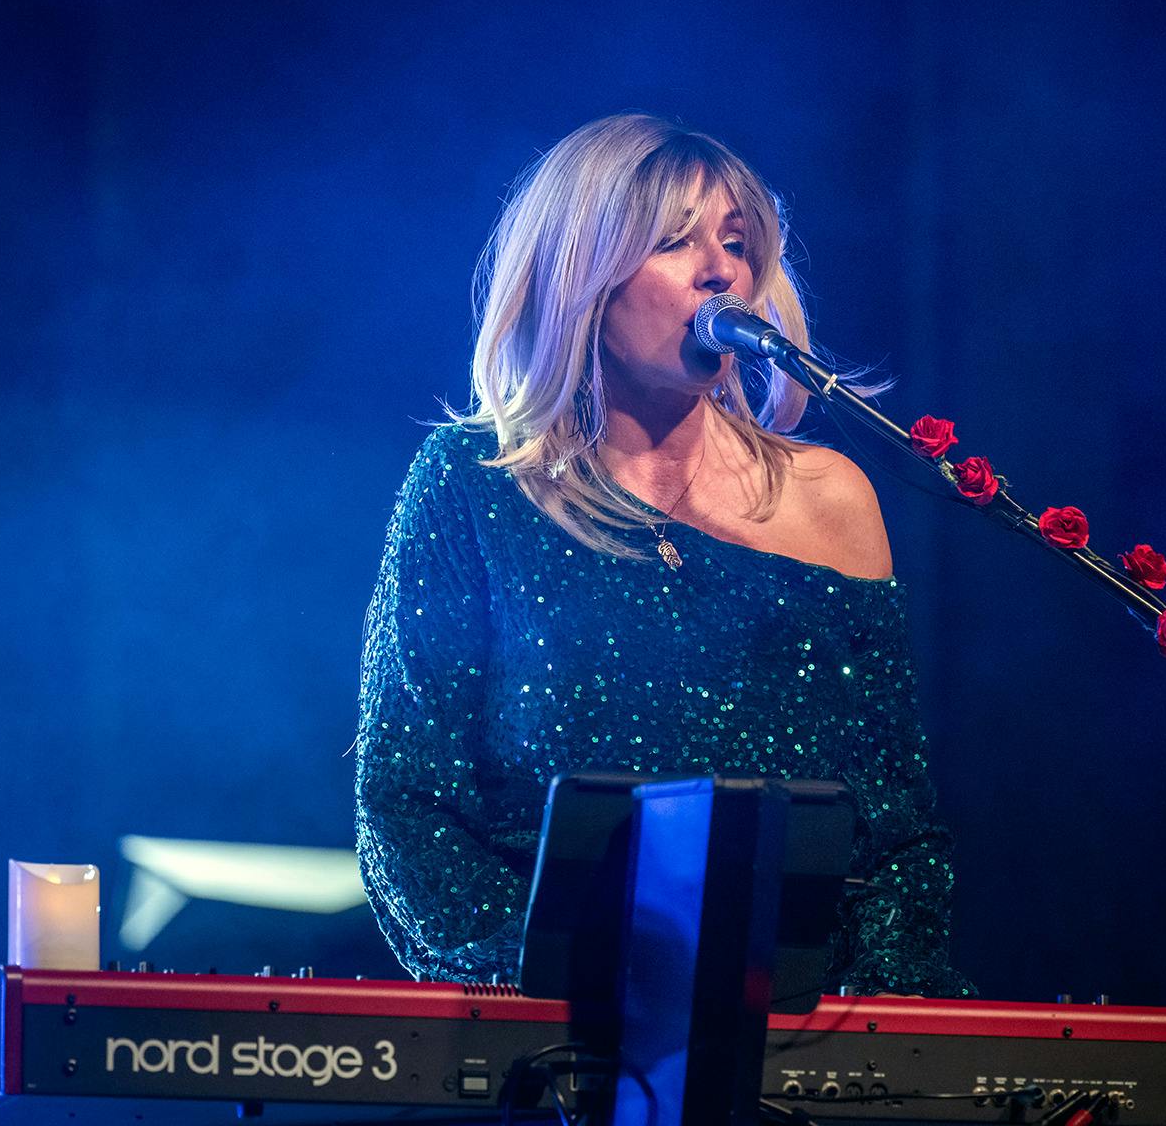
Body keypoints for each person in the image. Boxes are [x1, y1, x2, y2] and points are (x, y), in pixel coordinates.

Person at [355, 113, 970, 997]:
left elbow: (900, 827)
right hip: (560, 1033)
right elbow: (409, 804)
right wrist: (544, 991)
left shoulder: (831, 497)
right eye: (675, 243)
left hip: (807, 1029)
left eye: (736, 241)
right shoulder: (473, 486)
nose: (722, 270)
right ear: (582, 276)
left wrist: (884, 1033)